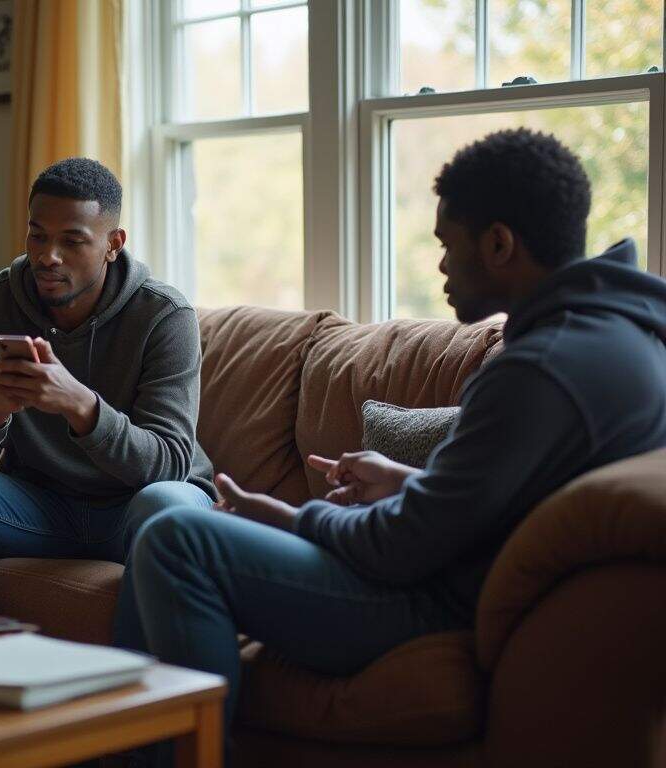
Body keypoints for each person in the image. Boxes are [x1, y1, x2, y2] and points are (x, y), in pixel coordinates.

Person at [115, 128, 666, 734]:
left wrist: (285, 515)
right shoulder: (623, 332)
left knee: (177, 538)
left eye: (448, 245)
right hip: (461, 568)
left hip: (434, 600)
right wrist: (411, 479)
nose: (442, 266)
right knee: (177, 528)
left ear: (500, 244)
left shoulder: (538, 369)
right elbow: (506, 494)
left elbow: (402, 547)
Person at [0, 157, 216, 616]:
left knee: (169, 505)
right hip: (40, 507)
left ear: (113, 244)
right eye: (38, 235)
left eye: (72, 240)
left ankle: (141, 682)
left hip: (136, 509)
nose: (48, 256)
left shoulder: (164, 315)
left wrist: (80, 405)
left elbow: (169, 464)